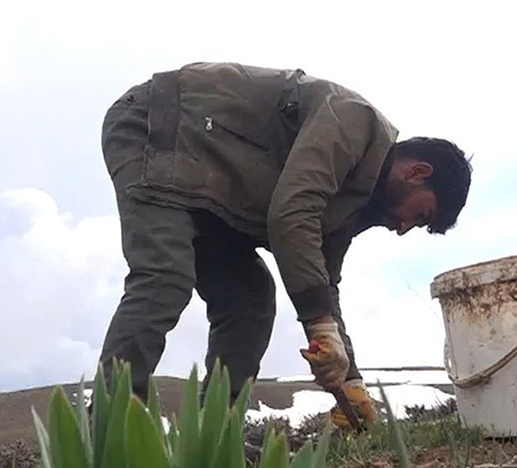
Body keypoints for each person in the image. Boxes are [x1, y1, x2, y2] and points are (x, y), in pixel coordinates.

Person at [95, 61, 473, 431]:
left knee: (250, 300)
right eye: (420, 214)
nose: (404, 228)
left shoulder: (351, 204)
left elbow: (322, 288)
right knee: (165, 276)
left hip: (210, 186)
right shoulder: (353, 122)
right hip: (159, 129)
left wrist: (350, 381)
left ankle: (211, 439)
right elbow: (292, 215)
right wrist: (320, 324)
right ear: (417, 172)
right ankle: (106, 434)